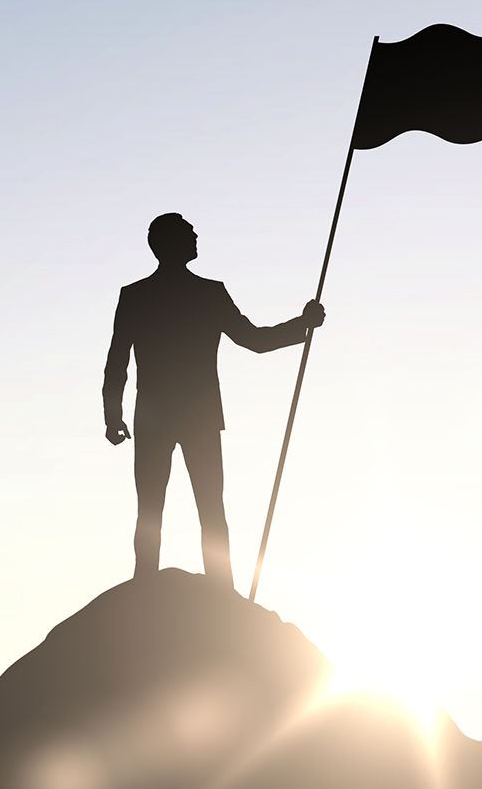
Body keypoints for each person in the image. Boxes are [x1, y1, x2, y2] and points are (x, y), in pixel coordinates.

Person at [103, 212, 324, 588]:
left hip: (165, 417)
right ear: (169, 243)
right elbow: (253, 340)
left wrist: (114, 416)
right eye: (188, 232)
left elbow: (116, 363)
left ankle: (159, 587)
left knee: (164, 510)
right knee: (202, 509)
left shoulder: (142, 295)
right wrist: (302, 324)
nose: (195, 236)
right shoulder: (201, 294)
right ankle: (212, 589)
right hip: (191, 416)